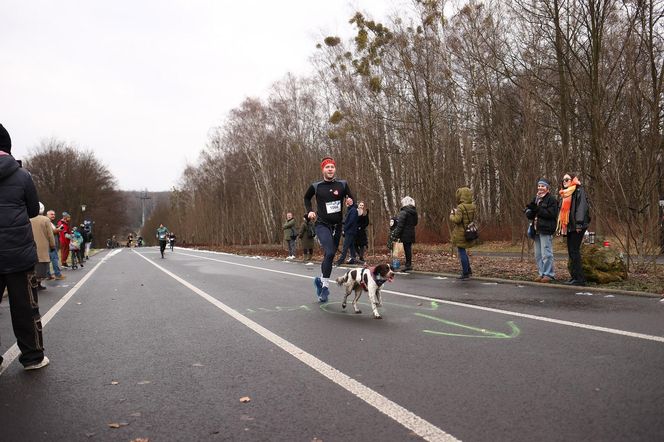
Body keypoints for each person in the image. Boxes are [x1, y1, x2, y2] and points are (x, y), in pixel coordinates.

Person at [0, 123, 49, 370]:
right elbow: (32, 210)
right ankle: (32, 357)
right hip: (18, 253)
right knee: (24, 307)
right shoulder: (22, 175)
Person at [304, 156, 354, 302]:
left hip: (338, 225)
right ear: (323, 170)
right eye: (327, 167)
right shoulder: (316, 186)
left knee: (329, 256)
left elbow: (351, 200)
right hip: (322, 224)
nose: (330, 169)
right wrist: (309, 211)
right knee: (331, 251)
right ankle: (325, 286)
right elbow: (306, 198)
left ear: (335, 169)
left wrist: (350, 202)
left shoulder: (342, 185)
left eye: (332, 167)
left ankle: (319, 280)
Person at [557, 173, 591, 285]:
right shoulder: (565, 193)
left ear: (573, 180)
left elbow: (581, 208)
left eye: (567, 179)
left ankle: (580, 279)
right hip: (569, 226)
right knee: (571, 252)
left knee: (574, 251)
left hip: (577, 226)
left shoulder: (578, 191)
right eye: (563, 180)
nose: (565, 181)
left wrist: (579, 224)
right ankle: (575, 276)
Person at [525, 178, 558, 283]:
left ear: (547, 188)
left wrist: (538, 209)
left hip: (546, 229)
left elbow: (551, 214)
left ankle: (549, 274)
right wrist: (529, 211)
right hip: (536, 230)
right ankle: (541, 273)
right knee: (538, 254)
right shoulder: (536, 198)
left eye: (543, 186)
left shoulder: (551, 199)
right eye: (539, 186)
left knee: (546, 253)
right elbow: (532, 214)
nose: (540, 188)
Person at [450, 186, 476, 279]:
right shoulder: (473, 206)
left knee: (462, 252)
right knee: (464, 251)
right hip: (469, 230)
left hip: (461, 233)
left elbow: (457, 220)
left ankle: (465, 272)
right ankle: (468, 270)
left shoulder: (460, 207)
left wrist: (452, 215)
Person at [30, 203, 56, 290]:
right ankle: (38, 283)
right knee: (41, 265)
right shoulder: (45, 220)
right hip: (42, 246)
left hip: (30, 245)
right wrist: (52, 245)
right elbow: (50, 235)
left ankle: (32, 283)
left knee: (32, 265)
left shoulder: (28, 218)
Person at [391, 196, 418, 272]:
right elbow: (415, 223)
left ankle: (408, 265)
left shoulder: (403, 212)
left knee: (407, 249)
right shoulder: (414, 212)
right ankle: (408, 264)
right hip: (411, 233)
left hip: (405, 233)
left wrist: (395, 234)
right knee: (408, 248)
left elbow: (400, 225)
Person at [336, 199, 359, 265]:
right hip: (350, 231)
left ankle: (341, 260)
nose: (346, 204)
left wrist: (344, 229)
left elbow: (351, 221)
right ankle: (353, 259)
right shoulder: (350, 210)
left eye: (346, 203)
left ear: (348, 203)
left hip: (350, 231)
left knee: (345, 246)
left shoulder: (353, 210)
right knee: (351, 246)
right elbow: (347, 220)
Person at [46, 210, 65, 280]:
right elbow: (50, 232)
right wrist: (58, 229)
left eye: (54, 214)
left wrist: (57, 228)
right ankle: (58, 274)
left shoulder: (50, 223)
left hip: (51, 244)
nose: (53, 215)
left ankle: (48, 275)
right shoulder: (47, 222)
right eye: (51, 214)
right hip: (51, 245)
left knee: (49, 260)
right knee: (55, 259)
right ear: (47, 215)